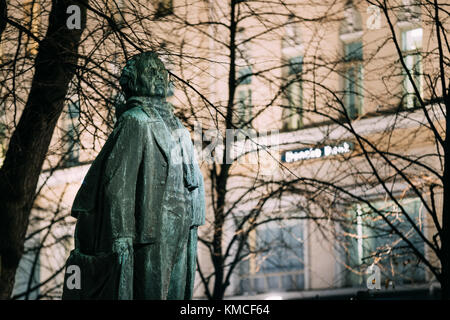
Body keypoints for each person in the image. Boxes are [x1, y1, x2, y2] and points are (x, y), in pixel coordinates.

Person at [62, 51, 205, 300]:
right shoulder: (134, 120)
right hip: (151, 229)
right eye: (151, 72)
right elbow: (117, 184)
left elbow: (191, 178)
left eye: (162, 72)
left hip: (182, 228)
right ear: (134, 81)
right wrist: (121, 235)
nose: (160, 76)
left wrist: (194, 218)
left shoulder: (178, 126)